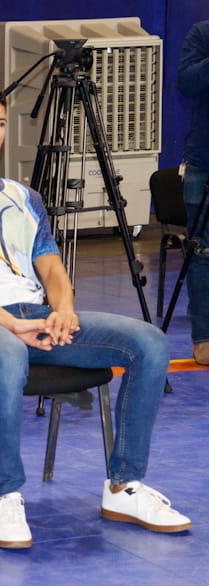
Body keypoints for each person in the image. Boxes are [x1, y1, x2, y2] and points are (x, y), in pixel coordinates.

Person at [0, 81, 191, 549]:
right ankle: (7, 496)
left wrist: (64, 311)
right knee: (7, 352)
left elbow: (52, 266)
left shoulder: (25, 197)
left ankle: (124, 486)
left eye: (0, 124)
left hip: (34, 315)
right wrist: (10, 324)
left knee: (150, 343)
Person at [177, 20, 209, 365]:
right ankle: (204, 337)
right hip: (204, 160)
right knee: (202, 252)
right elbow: (186, 83)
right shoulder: (202, 34)